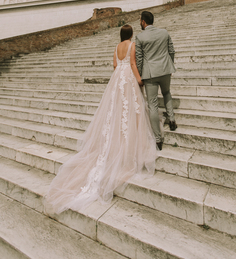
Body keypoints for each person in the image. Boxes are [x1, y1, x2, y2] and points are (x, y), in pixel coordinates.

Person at [45, 25, 157, 214]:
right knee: (131, 110)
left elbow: (115, 65)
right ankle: (128, 141)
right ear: (130, 35)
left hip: (116, 79)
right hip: (128, 78)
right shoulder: (133, 45)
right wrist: (139, 80)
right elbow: (133, 64)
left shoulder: (116, 47)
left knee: (116, 110)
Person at [135, 11, 177, 151]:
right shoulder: (164, 32)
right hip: (165, 69)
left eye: (140, 20)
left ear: (143, 21)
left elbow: (139, 59)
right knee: (166, 93)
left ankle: (158, 140)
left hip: (150, 73)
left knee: (152, 105)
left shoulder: (140, 37)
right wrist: (170, 65)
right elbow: (171, 50)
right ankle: (171, 120)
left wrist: (141, 75)